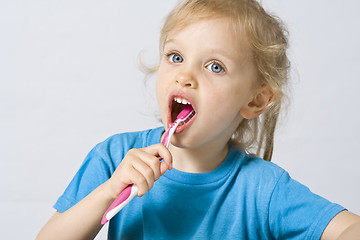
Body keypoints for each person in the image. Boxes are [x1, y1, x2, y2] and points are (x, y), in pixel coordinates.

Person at [37, 0, 360, 239]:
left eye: (215, 66)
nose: (185, 76)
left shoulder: (263, 189)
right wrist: (110, 190)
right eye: (175, 57)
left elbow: (348, 228)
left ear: (255, 99)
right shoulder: (114, 157)